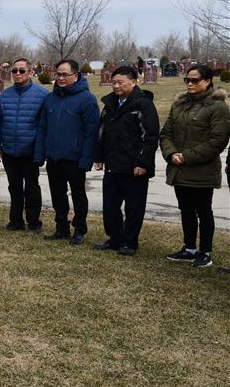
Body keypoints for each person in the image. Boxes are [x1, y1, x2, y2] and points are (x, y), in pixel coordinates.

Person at [160, 64, 230, 268]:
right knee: (186, 210)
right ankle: (189, 248)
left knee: (204, 211)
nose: (190, 84)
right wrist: (171, 154)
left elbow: (218, 140)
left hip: (201, 170)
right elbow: (166, 133)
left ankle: (205, 252)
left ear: (207, 81)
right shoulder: (179, 104)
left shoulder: (217, 107)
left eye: (195, 80)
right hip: (179, 169)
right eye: (187, 80)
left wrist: (187, 157)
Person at [92, 66, 159, 256]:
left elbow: (151, 136)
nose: (115, 86)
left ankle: (129, 242)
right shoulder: (110, 104)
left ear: (133, 82)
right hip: (113, 164)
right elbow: (101, 132)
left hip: (134, 167)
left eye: (120, 82)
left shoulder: (143, 104)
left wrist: (142, 163)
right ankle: (115, 238)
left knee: (133, 207)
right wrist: (99, 157)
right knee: (110, 206)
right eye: (113, 82)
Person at [35, 59, 100, 245]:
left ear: (76, 76)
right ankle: (61, 227)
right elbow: (42, 128)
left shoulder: (87, 99)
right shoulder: (50, 98)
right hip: (54, 157)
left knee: (78, 195)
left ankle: (79, 229)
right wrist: (40, 154)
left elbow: (91, 132)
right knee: (58, 195)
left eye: (65, 74)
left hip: (75, 158)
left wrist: (86, 159)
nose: (61, 78)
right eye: (58, 74)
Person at [0, 58, 49, 233]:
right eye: (14, 71)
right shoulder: (6, 95)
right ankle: (15, 221)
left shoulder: (42, 95)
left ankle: (33, 222)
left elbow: (44, 125)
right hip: (9, 150)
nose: (17, 74)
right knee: (14, 187)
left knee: (31, 187)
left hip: (30, 150)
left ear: (30, 72)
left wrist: (41, 150)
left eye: (21, 71)